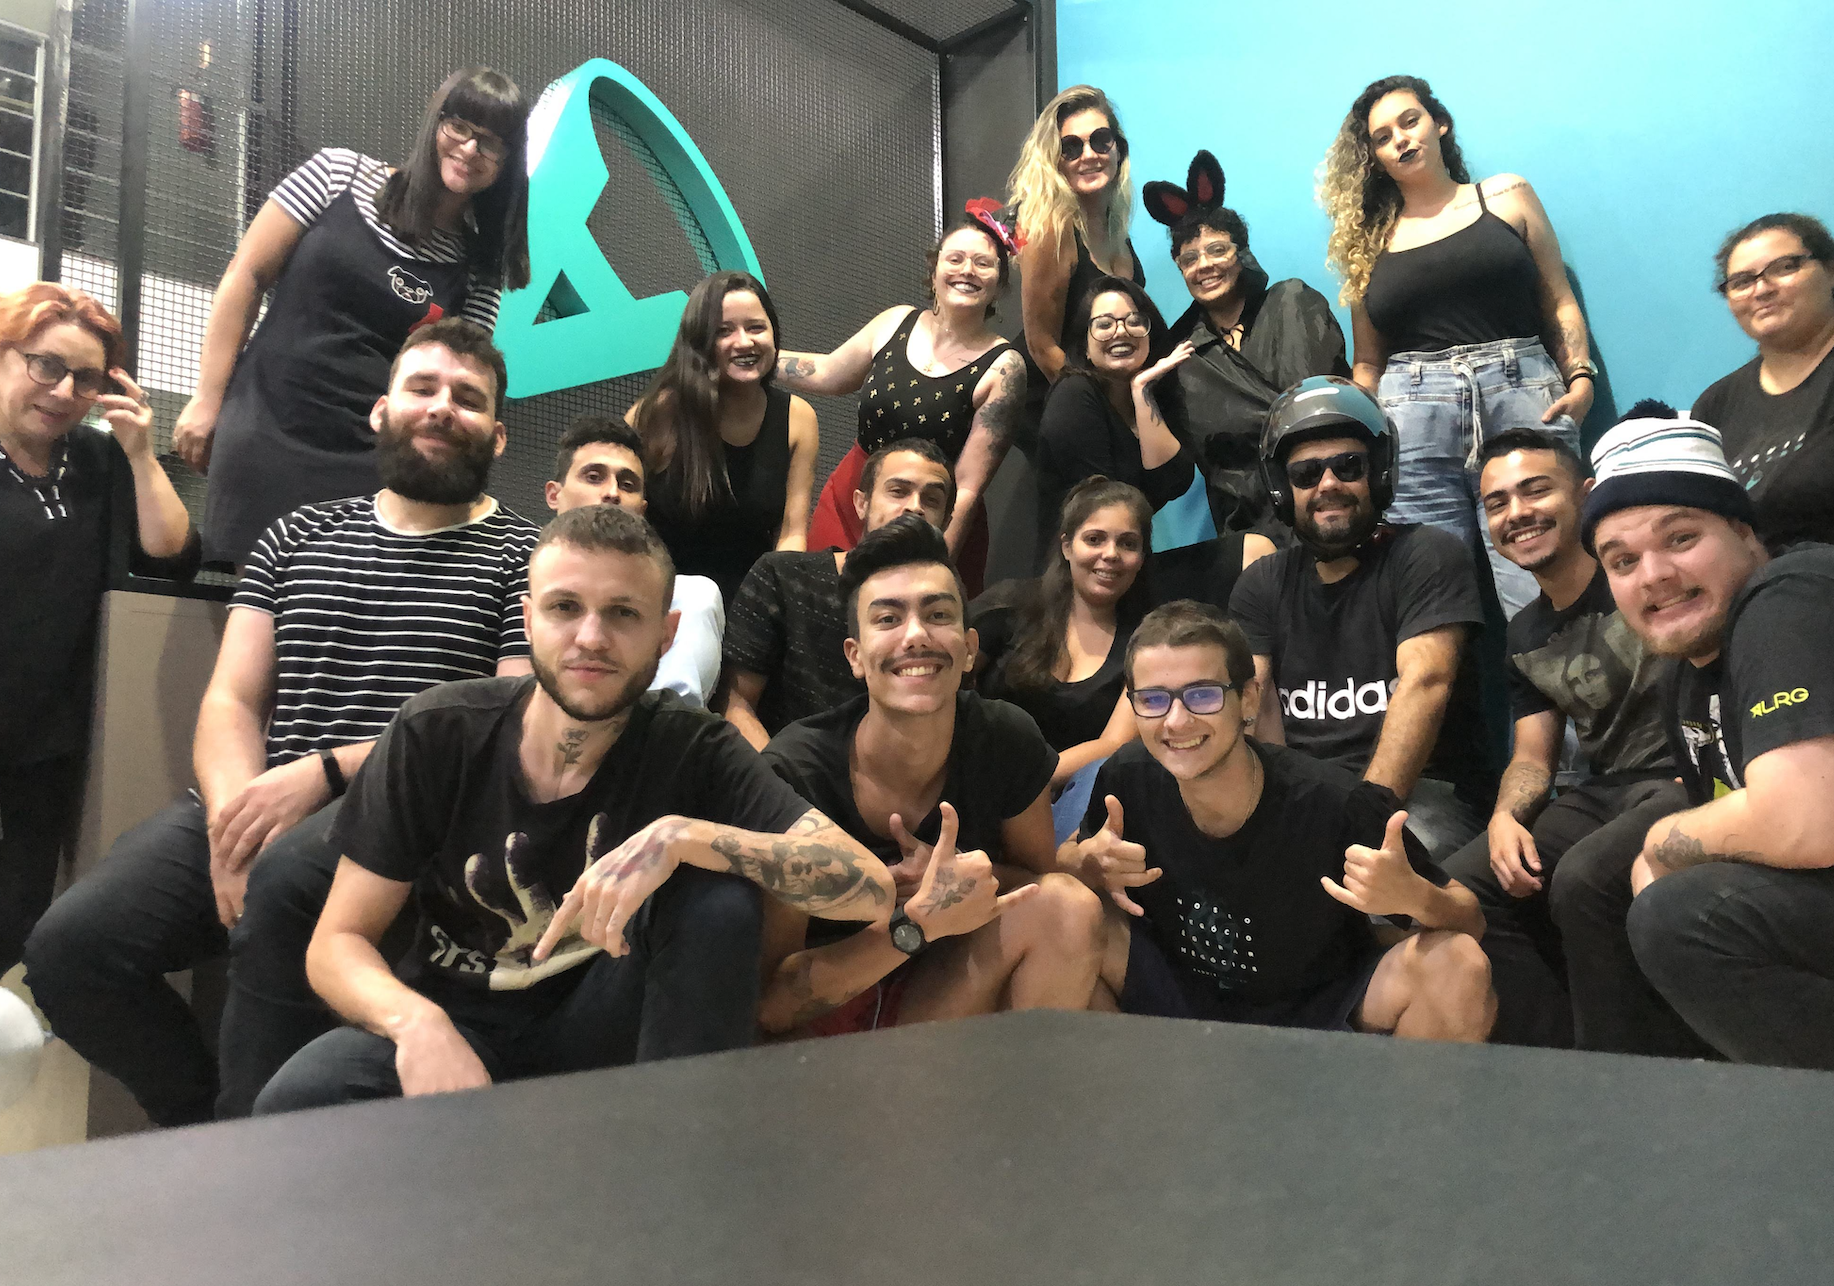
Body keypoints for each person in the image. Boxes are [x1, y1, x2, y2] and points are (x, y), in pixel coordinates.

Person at [24, 319, 538, 1124]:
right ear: (381, 410)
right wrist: (234, 824)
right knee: (69, 952)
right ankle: (207, 1127)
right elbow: (232, 700)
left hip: (405, 831)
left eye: (468, 399)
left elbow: (504, 727)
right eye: (422, 388)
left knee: (285, 891)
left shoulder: (526, 558)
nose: (442, 407)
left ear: (498, 435)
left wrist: (323, 774)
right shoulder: (297, 533)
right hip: (255, 804)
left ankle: (247, 1155)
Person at [251, 505, 895, 1112]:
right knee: (296, 1102)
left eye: (623, 614)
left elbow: (870, 890)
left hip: (606, 1031)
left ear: (666, 634)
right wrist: (415, 1023)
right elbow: (337, 944)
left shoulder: (695, 747)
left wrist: (683, 838)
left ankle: (687, 1154)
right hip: (456, 1021)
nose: (591, 638)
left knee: (716, 901)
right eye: (565, 607)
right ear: (528, 619)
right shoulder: (436, 731)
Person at [1065, 601, 1494, 1040]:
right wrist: (1086, 865)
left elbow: (1471, 922)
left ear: (1248, 698)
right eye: (1154, 699)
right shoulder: (1127, 776)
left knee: (1456, 963)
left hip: (1318, 1013)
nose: (1176, 721)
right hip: (1179, 998)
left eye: (1203, 695)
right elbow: (1068, 861)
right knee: (1059, 909)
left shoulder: (1333, 801)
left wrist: (1414, 896)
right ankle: (1127, 1080)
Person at [756, 515, 1105, 1037]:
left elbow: (1037, 884)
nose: (916, 635)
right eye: (888, 619)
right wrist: (916, 920)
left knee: (1069, 909)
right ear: (855, 656)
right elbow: (770, 1005)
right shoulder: (795, 772)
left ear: (969, 649)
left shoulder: (1005, 738)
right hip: (830, 1021)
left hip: (944, 992)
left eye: (938, 614)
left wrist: (954, 879)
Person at [175, 67, 530, 566]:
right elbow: (246, 274)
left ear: (506, 162)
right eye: (460, 127)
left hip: (370, 463)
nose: (470, 149)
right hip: (265, 428)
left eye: (491, 143)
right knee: (248, 596)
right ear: (437, 122)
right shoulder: (337, 174)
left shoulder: (478, 268)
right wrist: (207, 397)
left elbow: (465, 371)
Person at [1581, 412, 1834, 1070]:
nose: (1654, 574)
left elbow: (1804, 821)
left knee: (1681, 913)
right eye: (1623, 561)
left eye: (1682, 537)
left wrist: (1662, 841)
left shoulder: (1788, 598)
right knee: (1621, 889)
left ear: (1744, 531)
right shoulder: (1686, 678)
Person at [1440, 425, 1700, 1054]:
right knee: (1460, 886)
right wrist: (1504, 818)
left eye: (1536, 491)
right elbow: (1534, 757)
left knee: (1583, 880)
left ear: (1585, 494)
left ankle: (1613, 1069)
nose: (1517, 513)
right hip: (1606, 790)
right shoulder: (1524, 634)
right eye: (1497, 503)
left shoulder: (1638, 579)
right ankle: (1554, 1045)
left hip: (1686, 776)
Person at [1319, 74, 1594, 617]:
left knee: (1549, 574)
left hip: (1522, 394)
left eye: (1409, 121)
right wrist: (1360, 430)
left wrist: (1581, 378)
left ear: (1439, 123)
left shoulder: (1507, 196)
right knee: (1430, 591)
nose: (1400, 139)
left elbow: (1558, 299)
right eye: (1382, 137)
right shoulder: (1365, 242)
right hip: (1414, 417)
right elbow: (1368, 361)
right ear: (1374, 159)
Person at [0, 283, 197, 974]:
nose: (63, 390)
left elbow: (174, 555)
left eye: (85, 378)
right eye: (45, 365)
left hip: (45, 742)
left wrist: (140, 451)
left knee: (15, 919)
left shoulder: (96, 459)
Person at [1230, 376, 1493, 856]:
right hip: (1309, 798)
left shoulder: (1427, 554)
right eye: (1306, 474)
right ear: (1283, 491)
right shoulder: (1262, 583)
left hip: (1422, 795)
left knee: (1370, 877)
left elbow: (1426, 682)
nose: (1328, 484)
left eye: (1348, 466)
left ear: (1379, 474)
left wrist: (1359, 824)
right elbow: (1251, 704)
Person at [775, 208, 1027, 591]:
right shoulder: (896, 321)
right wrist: (757, 360)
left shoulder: (1005, 367)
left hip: (931, 519)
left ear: (999, 282)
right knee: (822, 609)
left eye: (982, 263)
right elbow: (827, 372)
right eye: (955, 259)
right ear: (934, 269)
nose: (967, 271)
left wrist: (932, 568)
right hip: (852, 501)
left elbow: (967, 487)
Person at [1141, 148, 1349, 533]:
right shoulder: (1181, 357)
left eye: (1217, 250)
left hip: (1332, 498)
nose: (1204, 265)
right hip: (1248, 531)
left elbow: (1326, 405)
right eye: (1189, 258)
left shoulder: (1293, 304)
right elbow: (1175, 471)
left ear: (1241, 253)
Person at [722, 439, 954, 750]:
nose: (915, 507)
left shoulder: (945, 618)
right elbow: (734, 703)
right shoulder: (783, 577)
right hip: (775, 770)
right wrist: (778, 778)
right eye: (898, 491)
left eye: (932, 499)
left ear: (946, 521)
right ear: (861, 503)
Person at [972, 479, 1154, 841]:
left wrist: (1026, 783)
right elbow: (946, 683)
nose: (1111, 554)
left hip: (1069, 802)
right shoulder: (1009, 606)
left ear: (1142, 557)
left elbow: (1113, 743)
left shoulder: (1146, 640)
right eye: (1095, 539)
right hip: (980, 783)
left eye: (1128, 543)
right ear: (1067, 546)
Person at [627, 270, 818, 605]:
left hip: (755, 606)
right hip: (666, 601)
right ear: (700, 342)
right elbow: (624, 516)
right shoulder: (658, 415)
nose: (744, 342)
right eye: (724, 331)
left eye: (756, 327)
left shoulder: (798, 418)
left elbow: (791, 533)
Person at [544, 414, 723, 707]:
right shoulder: (514, 572)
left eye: (627, 484)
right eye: (593, 477)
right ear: (554, 494)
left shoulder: (686, 601)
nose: (612, 493)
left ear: (641, 509)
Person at [1692, 212, 1834, 549]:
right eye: (1742, 282)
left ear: (1830, 271)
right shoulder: (1715, 405)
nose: (1762, 289)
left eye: (1784, 267)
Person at [1033, 276, 1195, 564]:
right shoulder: (1073, 394)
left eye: (1134, 321)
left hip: (1130, 564)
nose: (1121, 331)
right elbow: (1103, 508)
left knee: (1253, 549)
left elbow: (1173, 480)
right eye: (1104, 325)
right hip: (1079, 571)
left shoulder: (1155, 397)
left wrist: (1142, 391)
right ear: (1084, 345)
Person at [1008, 85, 1143, 404]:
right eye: (1071, 147)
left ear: (1118, 149)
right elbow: (1043, 348)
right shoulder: (1051, 230)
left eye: (1100, 140)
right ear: (1054, 160)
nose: (1089, 155)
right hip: (1053, 403)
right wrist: (1104, 413)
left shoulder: (1115, 229)